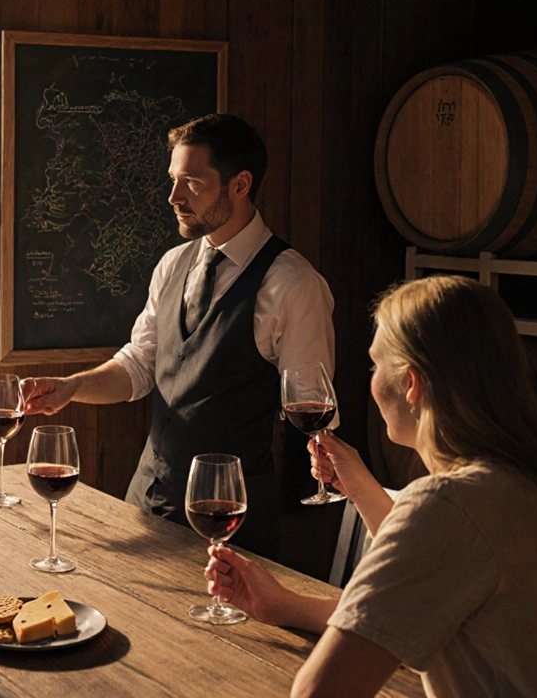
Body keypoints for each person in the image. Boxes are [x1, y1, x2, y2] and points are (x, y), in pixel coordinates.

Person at [203, 275, 537, 697]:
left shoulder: (452, 504)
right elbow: (412, 604)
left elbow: (318, 692)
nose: (370, 380)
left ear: (412, 384)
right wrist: (282, 605)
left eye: (375, 364)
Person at [21, 113, 336, 559]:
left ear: (240, 185)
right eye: (173, 179)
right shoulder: (172, 265)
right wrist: (73, 388)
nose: (173, 197)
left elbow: (313, 411)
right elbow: (139, 365)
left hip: (230, 522)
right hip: (147, 501)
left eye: (192, 182)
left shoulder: (293, 286)